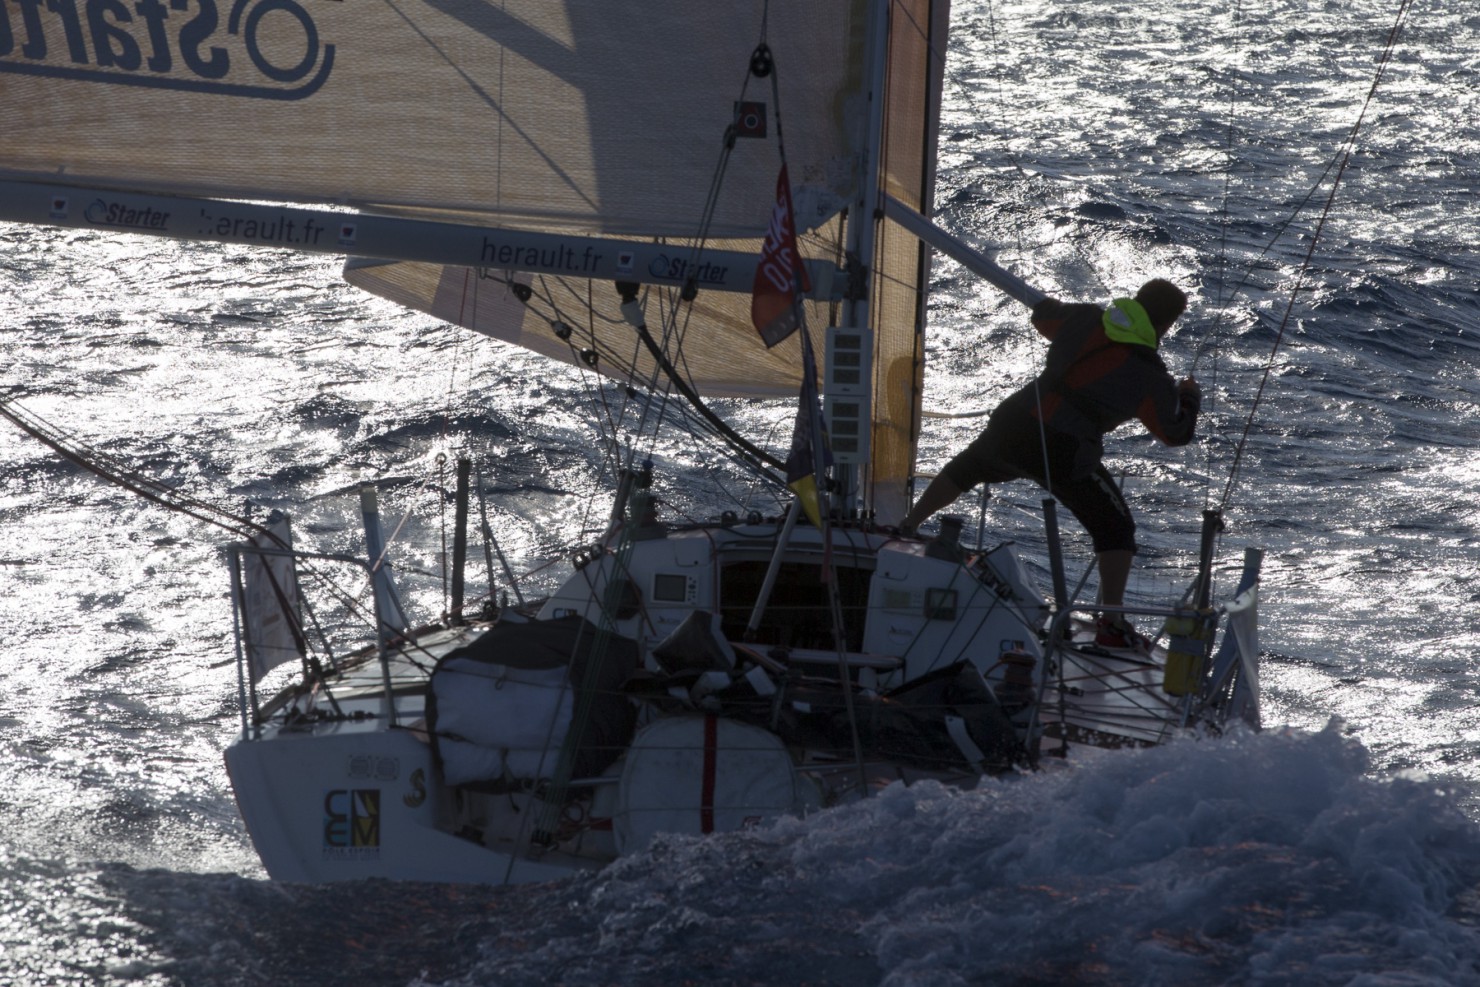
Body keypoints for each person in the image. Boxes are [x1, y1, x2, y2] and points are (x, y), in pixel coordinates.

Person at [902, 278, 1201, 650]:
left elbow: (1043, 319)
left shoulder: (1088, 318)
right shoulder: (1152, 376)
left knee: (969, 467)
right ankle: (1111, 622)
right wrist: (1188, 398)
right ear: (1166, 325)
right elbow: (1175, 434)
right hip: (1065, 452)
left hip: (1016, 422)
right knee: (1116, 530)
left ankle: (908, 525)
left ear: (1137, 300)